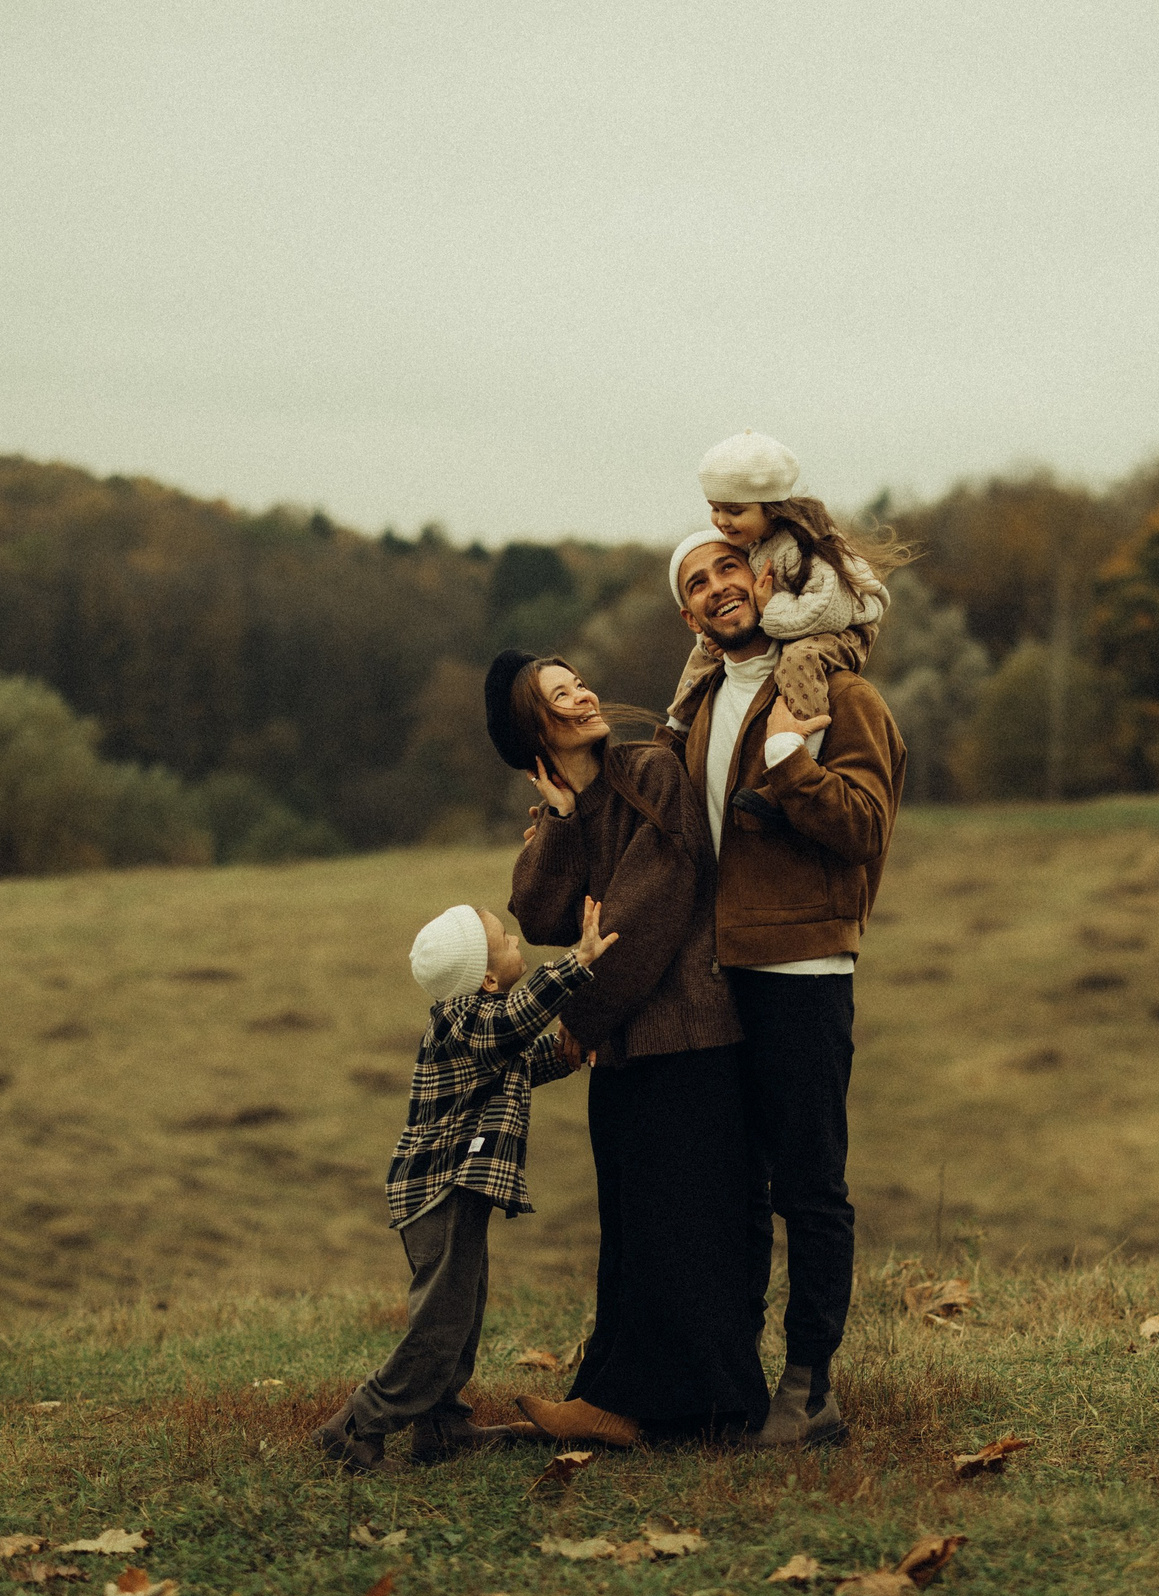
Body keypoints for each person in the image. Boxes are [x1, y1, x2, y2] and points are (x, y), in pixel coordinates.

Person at [663, 527, 906, 1448]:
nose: (720, 586)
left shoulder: (843, 698)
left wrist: (794, 768)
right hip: (715, 980)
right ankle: (729, 1376)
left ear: (769, 578)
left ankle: (811, 1387)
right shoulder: (692, 712)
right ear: (687, 614)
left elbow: (866, 828)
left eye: (732, 566)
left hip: (802, 973)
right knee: (729, 1189)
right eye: (699, 580)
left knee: (809, 1184)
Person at [495, 649, 771, 1447]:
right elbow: (541, 916)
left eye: (576, 680)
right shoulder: (570, 807)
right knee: (636, 1225)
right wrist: (561, 820)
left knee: (683, 1224)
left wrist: (579, 1020)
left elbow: (644, 912)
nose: (583, 693)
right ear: (534, 730)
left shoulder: (649, 772)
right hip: (627, 1047)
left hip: (687, 1033)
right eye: (559, 695)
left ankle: (698, 1407)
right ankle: (632, 1398)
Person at [310, 898, 617, 1473]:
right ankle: (356, 1425)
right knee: (440, 1323)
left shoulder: (482, 1029)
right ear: (485, 975)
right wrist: (576, 962)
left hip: (455, 1188)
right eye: (503, 937)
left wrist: (569, 1054)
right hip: (439, 1188)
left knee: (463, 1311)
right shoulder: (465, 1017)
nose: (514, 938)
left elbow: (517, 1063)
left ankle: (441, 1426)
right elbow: (511, 1025)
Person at [662, 432, 909, 780]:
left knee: (798, 660)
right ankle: (676, 728)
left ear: (771, 509)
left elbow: (828, 611)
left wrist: (770, 608)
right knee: (705, 647)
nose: (721, 521)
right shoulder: (755, 541)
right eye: (715, 509)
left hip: (844, 630)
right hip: (799, 624)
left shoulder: (799, 548)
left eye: (734, 511)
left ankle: (802, 750)